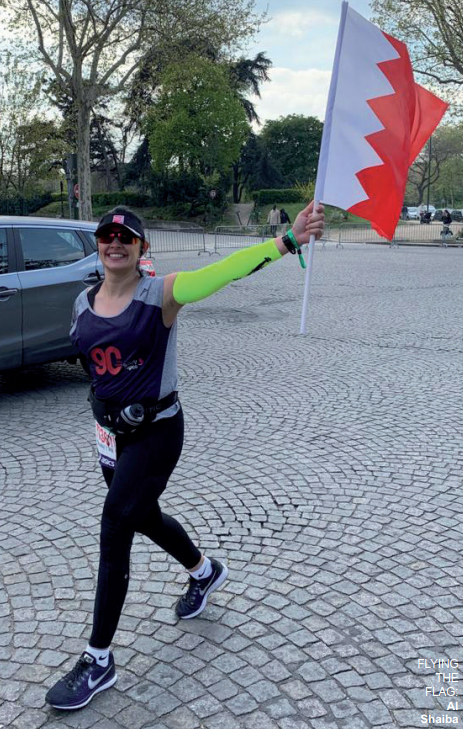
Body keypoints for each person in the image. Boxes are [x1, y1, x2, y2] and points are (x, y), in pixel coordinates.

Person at [45, 202, 325, 711]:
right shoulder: (82, 303)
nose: (115, 243)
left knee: (116, 524)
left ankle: (98, 658)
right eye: (107, 235)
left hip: (156, 432)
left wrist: (287, 242)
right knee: (142, 516)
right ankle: (203, 571)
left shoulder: (161, 294)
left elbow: (224, 271)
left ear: (141, 248)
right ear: (98, 244)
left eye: (126, 238)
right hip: (110, 436)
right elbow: (95, 369)